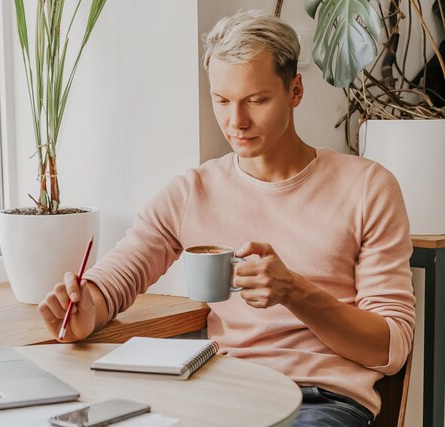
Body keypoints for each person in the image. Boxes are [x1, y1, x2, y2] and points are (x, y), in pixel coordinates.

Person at [37, 10, 415, 427]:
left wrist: (293, 291)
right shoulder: (192, 192)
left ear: (296, 90)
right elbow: (116, 279)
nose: (237, 122)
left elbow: (391, 349)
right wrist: (85, 309)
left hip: (320, 401)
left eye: (256, 100)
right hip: (222, 395)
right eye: (222, 101)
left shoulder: (367, 187)